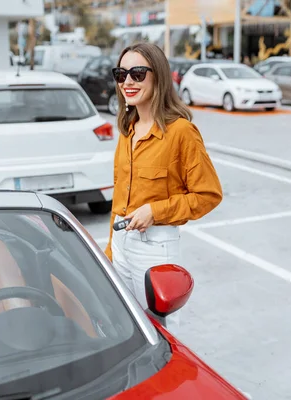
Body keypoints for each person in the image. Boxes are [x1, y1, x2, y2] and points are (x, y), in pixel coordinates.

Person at [105, 42, 223, 333]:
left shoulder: (181, 132)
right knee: (126, 327)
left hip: (155, 248)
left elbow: (208, 194)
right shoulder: (127, 129)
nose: (128, 82)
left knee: (162, 333)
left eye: (138, 73)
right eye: (121, 74)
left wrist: (155, 211)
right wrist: (110, 249)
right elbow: (119, 195)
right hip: (121, 243)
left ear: (158, 75)